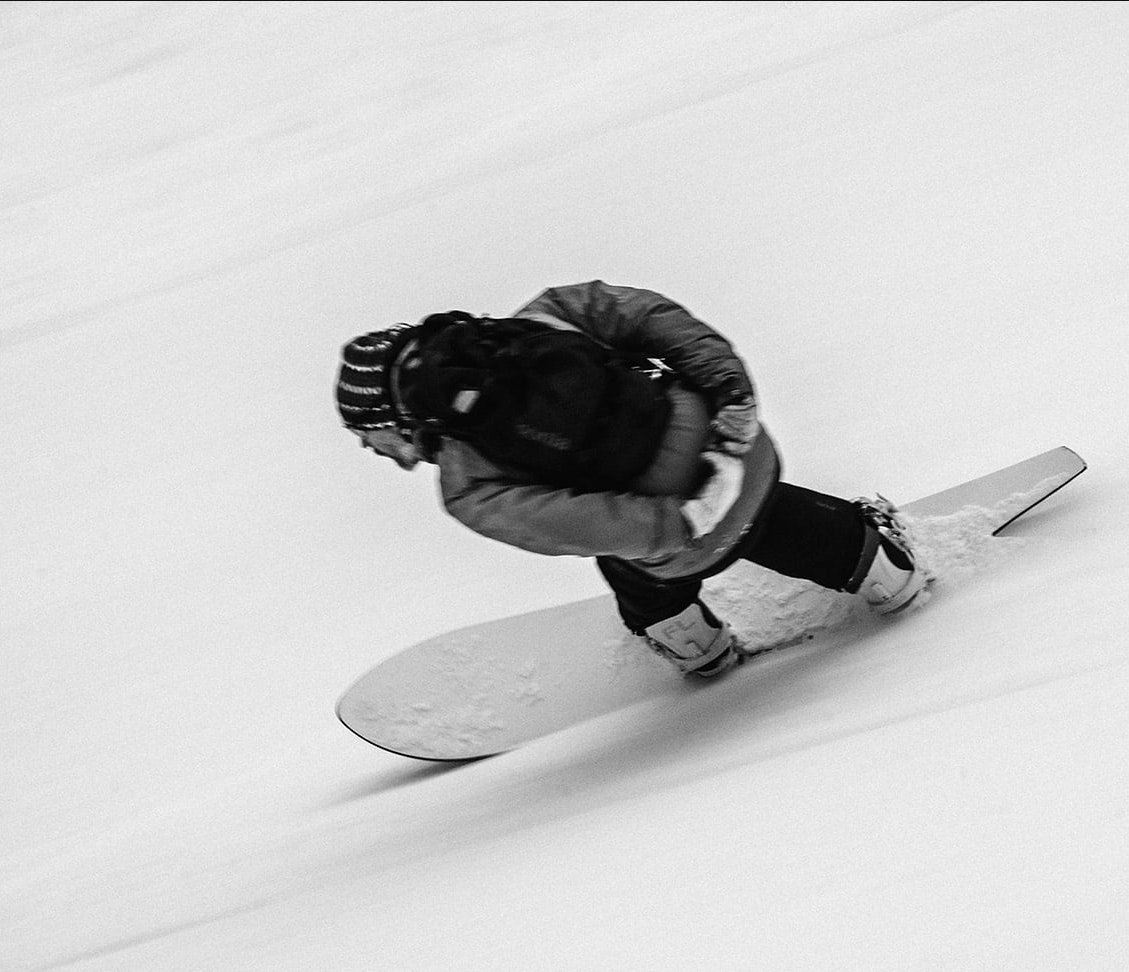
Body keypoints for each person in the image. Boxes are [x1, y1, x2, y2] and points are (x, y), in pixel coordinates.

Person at [336, 280, 929, 678]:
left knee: (630, 568)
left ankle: (696, 648)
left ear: (394, 419)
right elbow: (653, 317)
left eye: (368, 434)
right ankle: (879, 565)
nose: (370, 448)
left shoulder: (467, 487)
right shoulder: (548, 315)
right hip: (742, 451)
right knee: (767, 516)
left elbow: (581, 525)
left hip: (685, 544)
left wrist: (685, 522)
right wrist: (731, 393)